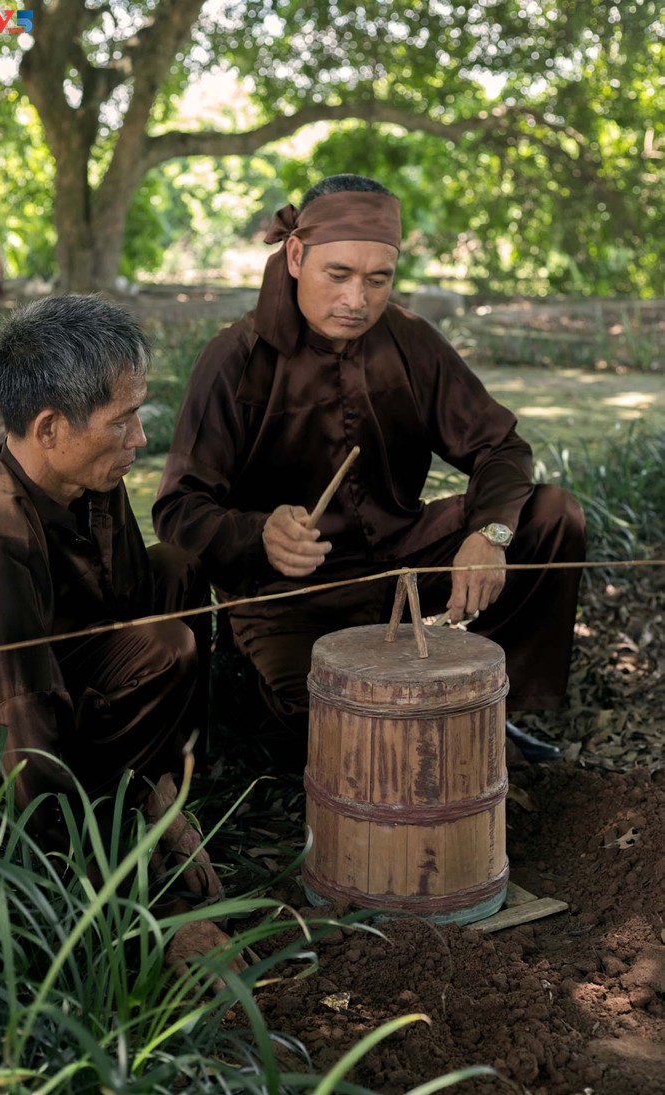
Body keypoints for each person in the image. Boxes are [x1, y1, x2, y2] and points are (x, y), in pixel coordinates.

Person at [153, 174, 586, 769]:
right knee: (334, 727)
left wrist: (490, 535)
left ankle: (490, 707)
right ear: (297, 255)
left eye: (377, 279)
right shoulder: (234, 357)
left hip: (400, 560)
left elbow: (500, 446)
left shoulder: (409, 340)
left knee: (551, 515)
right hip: (291, 593)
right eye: (339, 275)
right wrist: (259, 534)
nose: (358, 299)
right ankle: (254, 698)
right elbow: (178, 509)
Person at [0, 295, 219, 905]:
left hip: (51, 670)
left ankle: (162, 781)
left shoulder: (87, 478)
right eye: (122, 421)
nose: (139, 439)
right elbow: (22, 742)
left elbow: (134, 598)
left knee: (176, 568)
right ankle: (119, 835)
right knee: (169, 648)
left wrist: (161, 790)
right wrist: (143, 896)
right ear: (49, 428)